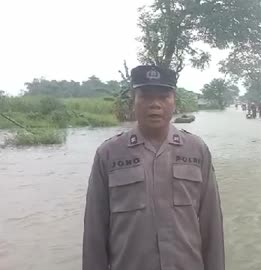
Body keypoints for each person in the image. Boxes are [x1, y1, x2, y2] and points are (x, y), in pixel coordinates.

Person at [83, 65, 224, 270]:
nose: (155, 105)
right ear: (134, 100)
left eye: (163, 96)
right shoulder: (109, 154)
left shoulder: (197, 150)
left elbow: (212, 226)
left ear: (174, 101)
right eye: (146, 96)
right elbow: (94, 232)